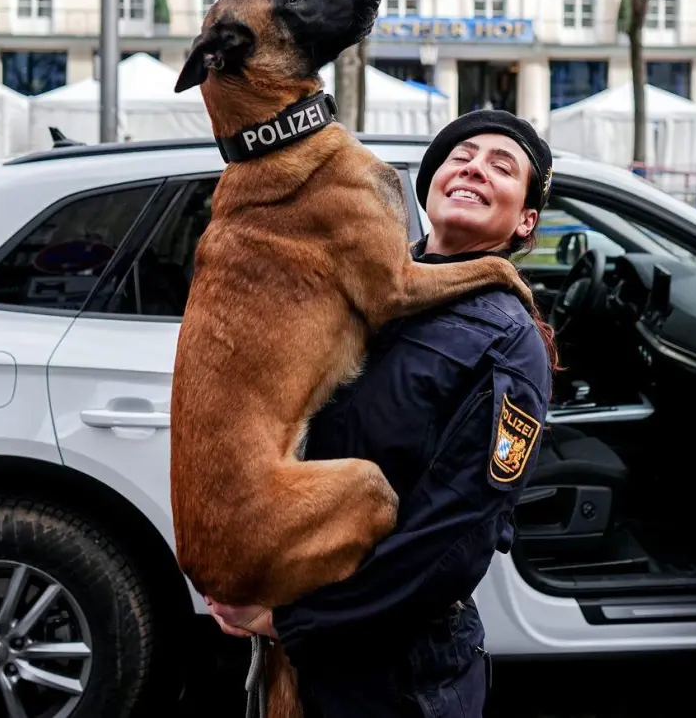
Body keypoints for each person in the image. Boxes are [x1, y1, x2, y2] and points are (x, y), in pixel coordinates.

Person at [205, 109, 557, 718]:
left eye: (502, 167)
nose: (475, 167)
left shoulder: (509, 342)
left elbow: (455, 533)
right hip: (306, 655)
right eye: (461, 157)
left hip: (400, 671)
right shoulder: (350, 291)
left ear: (524, 222)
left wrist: (297, 620)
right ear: (429, 188)